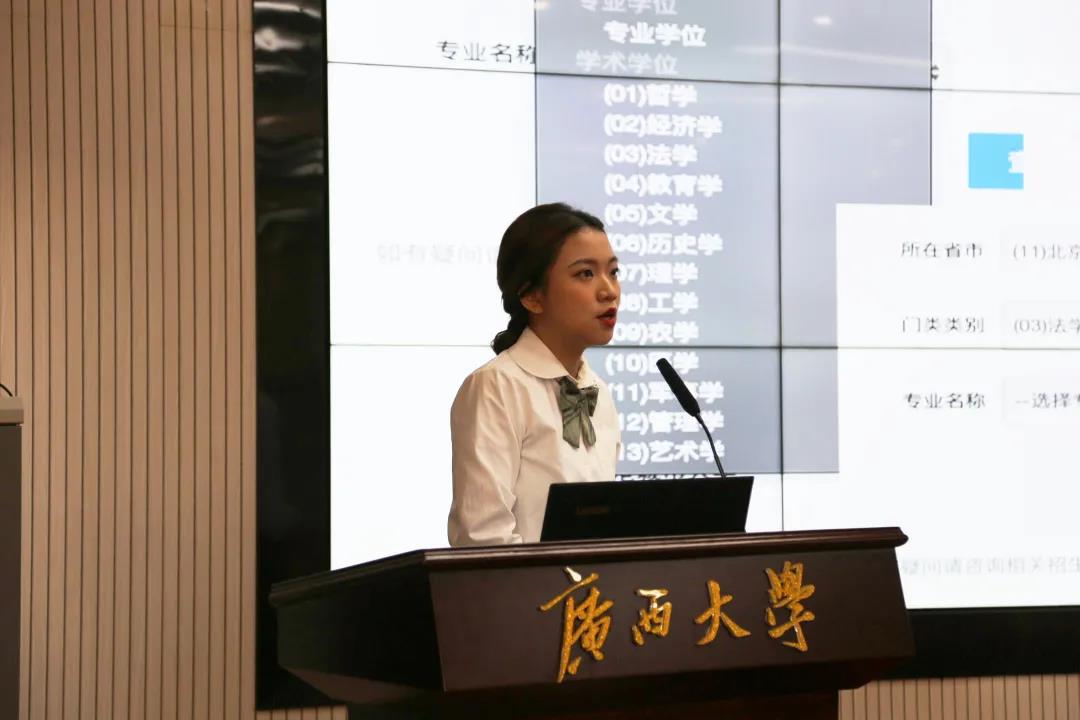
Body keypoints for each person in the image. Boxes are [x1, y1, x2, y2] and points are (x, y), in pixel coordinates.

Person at [448, 203, 622, 546]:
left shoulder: (598, 391)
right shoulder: (496, 386)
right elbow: (482, 537)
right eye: (586, 274)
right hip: (528, 583)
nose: (609, 291)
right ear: (531, 296)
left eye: (613, 272)